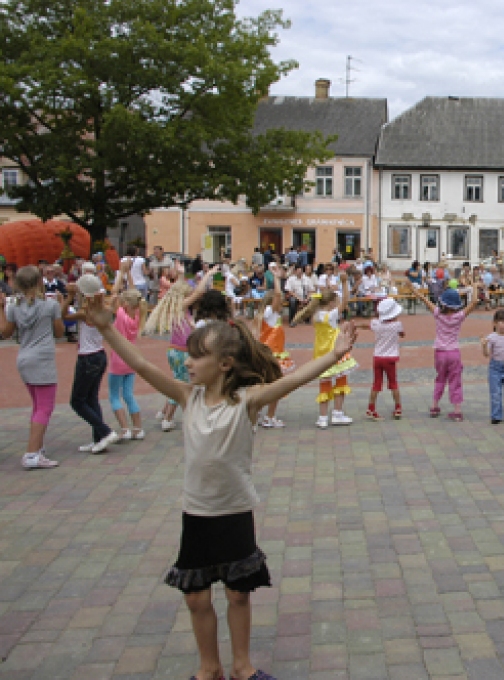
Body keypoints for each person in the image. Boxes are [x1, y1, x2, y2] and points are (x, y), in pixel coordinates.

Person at [84, 293, 354, 680]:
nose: (188, 363)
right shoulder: (186, 397)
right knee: (195, 597)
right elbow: (141, 364)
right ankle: (209, 666)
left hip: (234, 512)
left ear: (225, 364)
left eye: (197, 357)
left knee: (237, 593)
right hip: (196, 513)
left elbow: (294, 379)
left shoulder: (247, 401)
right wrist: (107, 327)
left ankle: (242, 665)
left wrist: (335, 355)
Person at [0, 266, 65, 469]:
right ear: (39, 282)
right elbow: (59, 332)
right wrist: (61, 307)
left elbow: (6, 333)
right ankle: (31, 453)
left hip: (24, 357)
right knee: (45, 407)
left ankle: (37, 446)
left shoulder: (13, 306)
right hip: (42, 358)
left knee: (37, 405)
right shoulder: (49, 305)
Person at [146, 272, 215, 431]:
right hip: (182, 351)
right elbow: (198, 292)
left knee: (178, 380)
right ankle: (168, 418)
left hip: (174, 350)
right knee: (182, 385)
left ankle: (164, 413)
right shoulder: (180, 306)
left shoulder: (177, 309)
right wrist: (208, 275)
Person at [61, 274, 120, 453]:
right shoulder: (103, 308)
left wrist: (69, 297)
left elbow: (63, 315)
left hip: (87, 357)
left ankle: (105, 431)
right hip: (99, 355)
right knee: (91, 398)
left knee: (77, 401)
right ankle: (99, 439)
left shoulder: (87, 312)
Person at [412, 284, 484, 421]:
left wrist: (418, 294)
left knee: (440, 379)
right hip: (453, 352)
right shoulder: (459, 316)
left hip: (439, 352)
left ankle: (434, 406)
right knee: (455, 381)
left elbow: (426, 301)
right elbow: (474, 302)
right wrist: (474, 287)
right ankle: (457, 410)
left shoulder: (438, 313)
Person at [293, 289, 358, 428]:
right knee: (341, 381)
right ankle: (337, 413)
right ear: (331, 303)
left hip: (320, 355)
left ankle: (322, 417)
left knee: (324, 385)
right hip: (336, 354)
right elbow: (346, 301)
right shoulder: (331, 315)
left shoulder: (315, 316)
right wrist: (345, 283)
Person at [107, 278, 148, 442]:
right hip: (131, 357)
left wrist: (121, 274)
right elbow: (133, 297)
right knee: (129, 394)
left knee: (114, 396)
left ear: (126, 303)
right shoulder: (137, 315)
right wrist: (129, 276)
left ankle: (125, 428)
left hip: (118, 358)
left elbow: (113, 295)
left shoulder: (122, 314)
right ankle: (137, 428)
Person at [255, 267, 293, 428]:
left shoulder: (267, 314)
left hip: (269, 352)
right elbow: (277, 295)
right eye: (280, 300)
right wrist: (277, 279)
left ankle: (257, 413)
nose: (282, 302)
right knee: (275, 386)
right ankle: (269, 417)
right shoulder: (270, 312)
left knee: (264, 384)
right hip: (272, 353)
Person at [366, 297, 405, 421]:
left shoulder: (376, 323)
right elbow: (402, 334)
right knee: (393, 383)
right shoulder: (397, 325)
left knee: (376, 384)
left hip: (377, 357)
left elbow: (366, 325)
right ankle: (398, 407)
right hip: (390, 358)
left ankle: (371, 408)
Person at [481, 309, 504, 424]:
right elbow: (487, 354)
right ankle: (496, 415)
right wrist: (483, 346)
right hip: (495, 368)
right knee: (495, 393)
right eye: (502, 322)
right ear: (495, 323)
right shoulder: (491, 337)